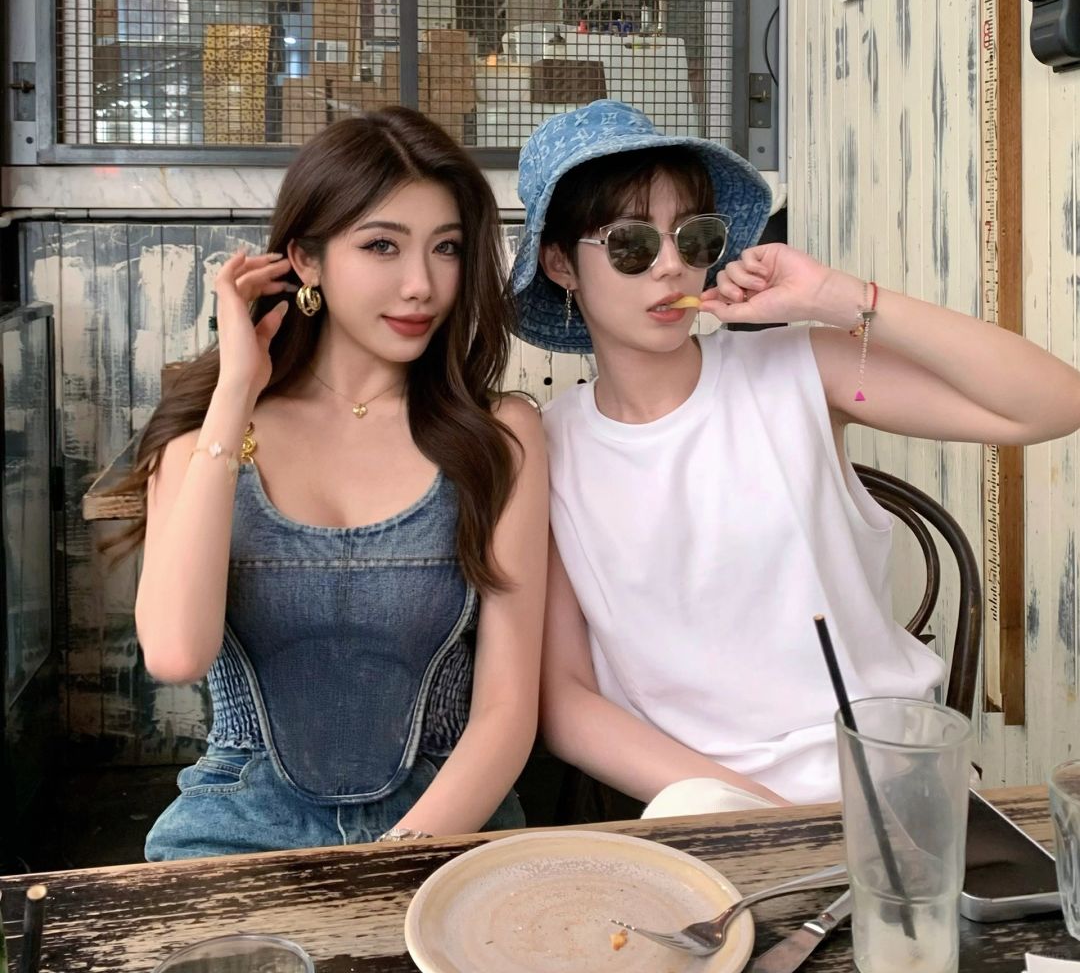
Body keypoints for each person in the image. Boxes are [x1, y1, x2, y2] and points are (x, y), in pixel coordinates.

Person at [510, 99, 1080, 814]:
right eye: (630, 245)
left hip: (890, 787)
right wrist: (761, 815)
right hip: (708, 811)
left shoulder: (799, 369)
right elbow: (566, 702)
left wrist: (842, 297)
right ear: (561, 263)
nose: (670, 267)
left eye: (695, 238)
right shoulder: (549, 449)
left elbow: (1052, 404)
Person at [107, 108, 547, 859]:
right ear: (306, 260)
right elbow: (176, 653)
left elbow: (506, 715)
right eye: (381, 246)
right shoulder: (204, 434)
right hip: (239, 829)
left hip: (450, 828)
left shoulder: (500, 436)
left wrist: (388, 865)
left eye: (446, 248)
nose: (421, 285)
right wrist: (236, 390)